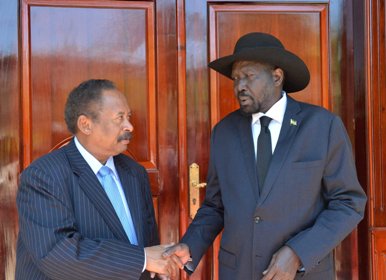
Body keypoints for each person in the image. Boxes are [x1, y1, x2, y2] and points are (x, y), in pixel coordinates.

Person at [164, 32, 367, 279]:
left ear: (277, 77)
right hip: (238, 272)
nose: (239, 86)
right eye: (236, 78)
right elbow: (216, 205)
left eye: (248, 76)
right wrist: (190, 244)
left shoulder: (322, 126)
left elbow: (348, 203)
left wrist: (297, 253)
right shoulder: (224, 132)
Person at [15, 79, 180, 280]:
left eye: (128, 117)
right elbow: (57, 253)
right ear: (85, 124)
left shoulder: (135, 173)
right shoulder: (43, 176)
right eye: (119, 118)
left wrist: (156, 265)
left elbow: (146, 242)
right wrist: (142, 259)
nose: (129, 126)